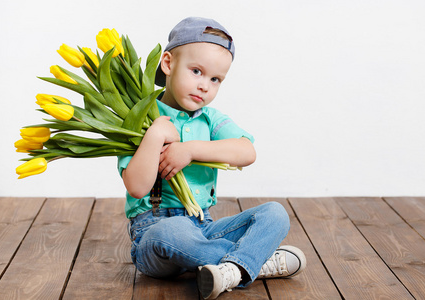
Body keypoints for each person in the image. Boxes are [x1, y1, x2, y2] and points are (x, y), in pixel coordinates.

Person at [118, 17, 306, 299]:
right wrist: (156, 134)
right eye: (196, 71)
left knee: (274, 213)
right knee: (171, 230)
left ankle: (231, 269)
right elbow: (136, 187)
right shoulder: (141, 116)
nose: (204, 85)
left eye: (215, 79)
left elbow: (246, 152)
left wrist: (190, 150)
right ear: (168, 64)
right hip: (154, 237)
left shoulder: (210, 120)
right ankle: (253, 262)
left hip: (204, 227)